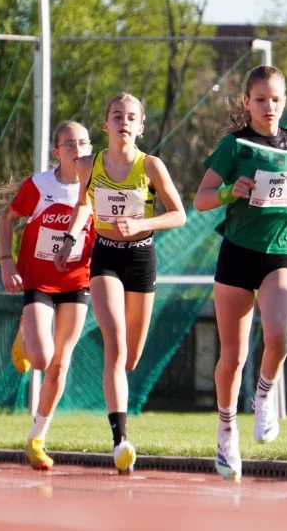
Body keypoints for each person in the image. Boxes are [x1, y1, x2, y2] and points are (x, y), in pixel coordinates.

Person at [193, 65, 287, 482]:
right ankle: (226, 431)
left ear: (285, 102)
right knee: (232, 357)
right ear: (247, 102)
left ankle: (265, 396)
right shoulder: (233, 146)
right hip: (237, 255)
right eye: (261, 99)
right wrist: (230, 191)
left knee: (277, 336)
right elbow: (200, 199)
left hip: (280, 253)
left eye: (276, 99)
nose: (269, 106)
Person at [55, 92, 186, 475]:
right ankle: (121, 440)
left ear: (141, 126)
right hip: (106, 256)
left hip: (141, 258)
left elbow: (178, 215)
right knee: (115, 343)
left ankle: (120, 425)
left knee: (130, 357)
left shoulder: (152, 167)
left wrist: (143, 224)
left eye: (131, 117)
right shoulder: (87, 165)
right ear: (105, 124)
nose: (124, 123)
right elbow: (84, 205)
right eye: (117, 116)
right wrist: (70, 238)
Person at [0, 121, 95, 470]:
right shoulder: (40, 185)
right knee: (40, 359)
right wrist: (6, 261)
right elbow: (7, 216)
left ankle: (37, 438)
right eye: (68, 144)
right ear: (56, 151)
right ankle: (26, 331)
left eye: (83, 142)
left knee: (60, 363)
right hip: (38, 280)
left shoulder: (98, 186)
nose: (77, 149)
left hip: (76, 280)